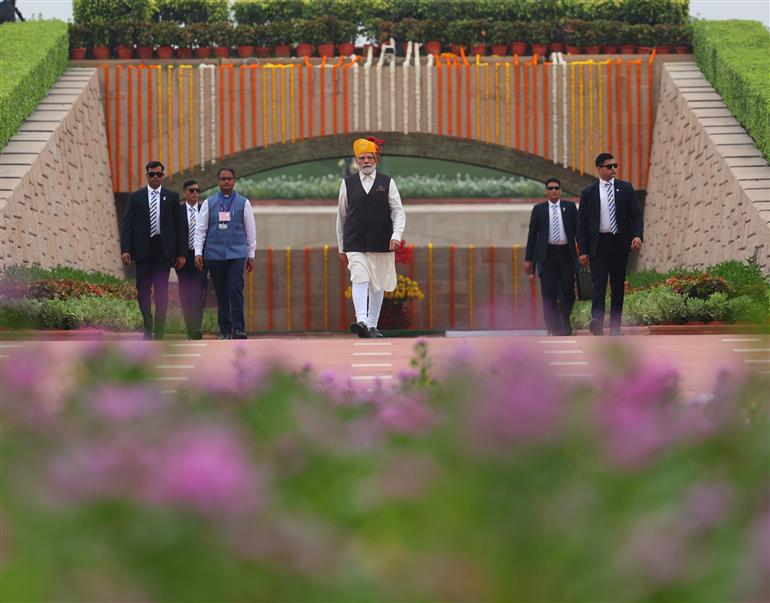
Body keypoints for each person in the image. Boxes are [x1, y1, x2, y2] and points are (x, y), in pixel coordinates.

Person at [336, 136, 405, 338]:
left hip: (382, 240)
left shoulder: (387, 183)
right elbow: (341, 216)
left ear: (376, 159)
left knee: (378, 283)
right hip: (354, 241)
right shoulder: (347, 184)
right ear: (356, 161)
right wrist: (341, 246)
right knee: (359, 277)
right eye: (362, 158)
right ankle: (362, 321)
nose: (366, 161)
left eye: (369, 158)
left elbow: (398, 211)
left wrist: (396, 235)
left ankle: (373, 325)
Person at [577, 153, 643, 336]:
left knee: (617, 285)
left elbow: (636, 214)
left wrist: (637, 235)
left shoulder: (625, 188)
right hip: (599, 244)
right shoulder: (588, 193)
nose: (613, 169)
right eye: (609, 166)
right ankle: (597, 321)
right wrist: (583, 250)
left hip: (620, 243)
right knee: (599, 283)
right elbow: (581, 224)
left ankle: (615, 326)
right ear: (599, 169)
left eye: (615, 165)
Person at [120, 161, 186, 340]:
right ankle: (148, 325)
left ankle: (159, 330)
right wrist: (126, 249)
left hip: (164, 251)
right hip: (142, 251)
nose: (155, 177)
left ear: (163, 176)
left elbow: (179, 226)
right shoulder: (136, 197)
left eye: (158, 174)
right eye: (152, 174)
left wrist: (181, 253)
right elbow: (127, 225)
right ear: (147, 176)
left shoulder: (172, 197)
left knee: (162, 291)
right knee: (143, 290)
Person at [194, 167, 256, 340]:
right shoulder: (209, 202)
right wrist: (198, 252)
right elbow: (200, 230)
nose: (226, 181)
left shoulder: (244, 203)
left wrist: (251, 255)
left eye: (229, 178)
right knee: (221, 292)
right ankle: (225, 330)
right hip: (214, 254)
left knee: (235, 289)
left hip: (237, 253)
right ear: (218, 181)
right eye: (223, 178)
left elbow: (251, 231)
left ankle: (239, 329)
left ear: (234, 180)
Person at [524, 178, 578, 336]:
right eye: (550, 188)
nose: (553, 191)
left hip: (566, 254)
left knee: (568, 292)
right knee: (549, 293)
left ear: (560, 190)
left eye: (556, 188)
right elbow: (532, 236)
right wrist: (529, 260)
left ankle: (564, 319)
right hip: (546, 255)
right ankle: (553, 326)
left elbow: (578, 232)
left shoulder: (569, 207)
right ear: (546, 191)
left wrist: (584, 252)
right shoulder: (538, 209)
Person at [175, 180, 207, 339]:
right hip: (183, 258)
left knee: (197, 293)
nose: (195, 193)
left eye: (197, 190)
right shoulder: (178, 211)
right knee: (185, 294)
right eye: (192, 190)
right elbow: (172, 235)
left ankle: (197, 329)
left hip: (200, 257)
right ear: (185, 193)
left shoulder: (204, 210)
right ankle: (190, 329)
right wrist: (176, 256)